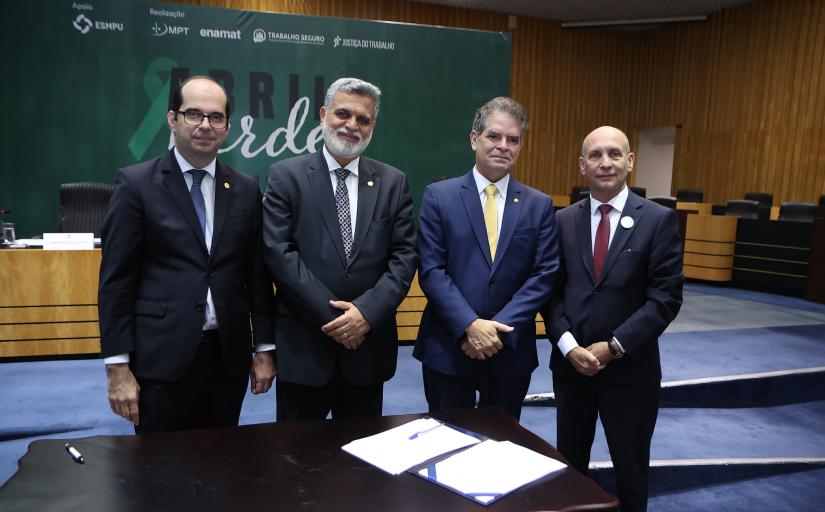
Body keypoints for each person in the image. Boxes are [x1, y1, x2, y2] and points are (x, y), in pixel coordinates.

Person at [99, 76, 276, 434]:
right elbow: (116, 281)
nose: (205, 125)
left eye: (216, 117)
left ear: (227, 126)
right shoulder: (136, 185)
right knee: (160, 473)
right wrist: (117, 366)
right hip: (160, 359)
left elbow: (256, 275)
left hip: (227, 358)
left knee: (222, 467)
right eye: (193, 114)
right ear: (172, 119)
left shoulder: (244, 189)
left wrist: (265, 348)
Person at [262, 77, 418, 421]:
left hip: (367, 349)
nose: (352, 125)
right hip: (305, 350)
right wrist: (338, 320)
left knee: (362, 464)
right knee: (297, 461)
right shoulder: (285, 176)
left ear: (373, 126)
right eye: (343, 114)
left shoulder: (394, 182)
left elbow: (405, 257)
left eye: (363, 119)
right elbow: (279, 254)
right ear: (323, 114)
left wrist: (365, 315)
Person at [546, 126, 683, 511]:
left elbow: (665, 298)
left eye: (614, 154)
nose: (605, 162)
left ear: (630, 161)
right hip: (572, 370)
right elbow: (551, 294)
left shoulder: (659, 221)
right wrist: (570, 347)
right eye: (595, 155)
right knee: (569, 468)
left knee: (631, 471)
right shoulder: (562, 221)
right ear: (582, 165)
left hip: (631, 373)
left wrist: (614, 347)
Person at [414, 97, 559, 420]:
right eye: (494, 136)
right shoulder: (440, 197)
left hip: (509, 349)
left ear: (520, 146)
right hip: (448, 347)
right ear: (474, 139)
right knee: (445, 444)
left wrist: (496, 331)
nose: (502, 146)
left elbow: (544, 274)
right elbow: (432, 270)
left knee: (502, 451)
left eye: (513, 139)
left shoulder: (539, 205)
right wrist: (469, 325)